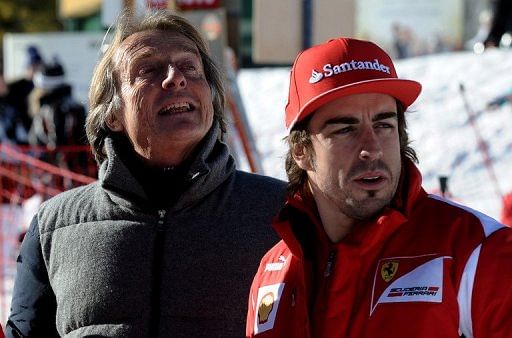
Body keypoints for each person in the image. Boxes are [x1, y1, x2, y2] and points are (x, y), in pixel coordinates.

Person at [7, 9, 285, 338]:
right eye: (148, 70)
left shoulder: (282, 212)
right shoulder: (53, 226)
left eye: (190, 67)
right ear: (112, 114)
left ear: (211, 97)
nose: (176, 78)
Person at [246, 37, 512, 338]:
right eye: (346, 129)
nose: (371, 149)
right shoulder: (273, 274)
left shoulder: (477, 249)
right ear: (301, 151)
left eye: (384, 125)